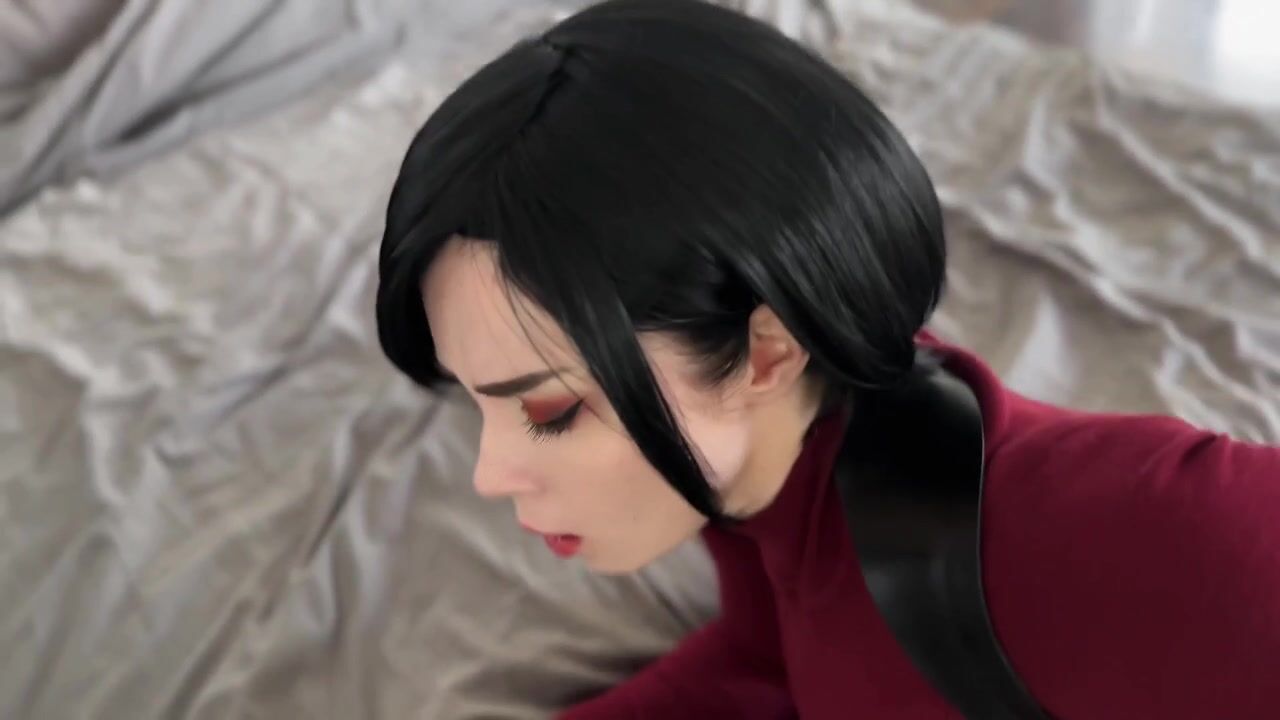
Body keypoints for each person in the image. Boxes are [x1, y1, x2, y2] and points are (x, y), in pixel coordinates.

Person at [375, 1, 1280, 717]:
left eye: (549, 411)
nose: (489, 475)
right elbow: (772, 654)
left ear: (765, 352)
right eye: (476, 402)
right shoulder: (756, 473)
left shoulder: (1139, 528)